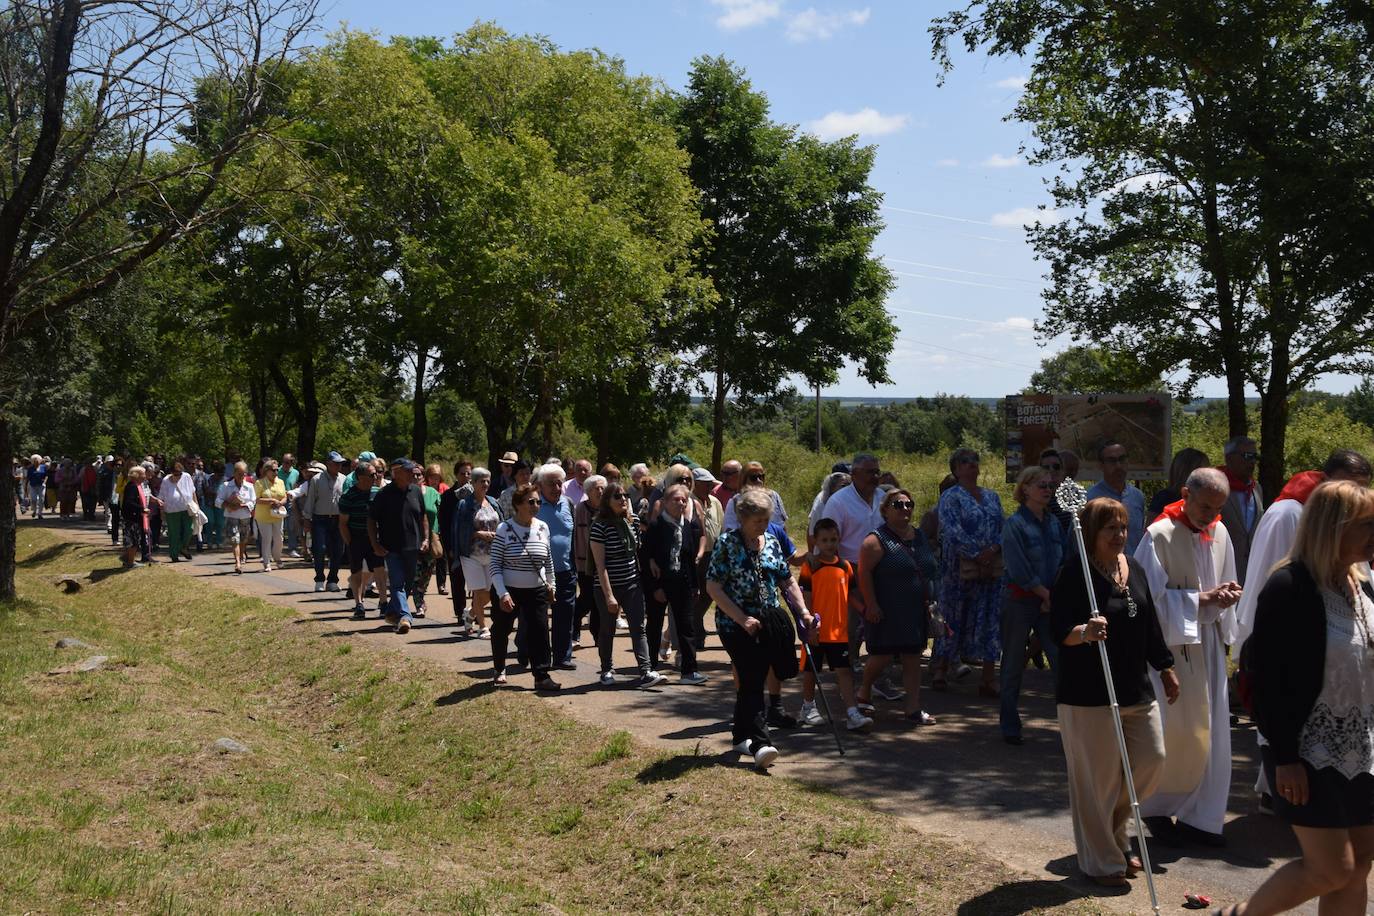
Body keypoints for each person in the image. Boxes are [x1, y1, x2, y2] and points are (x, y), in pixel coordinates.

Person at [1225, 480, 1374, 916]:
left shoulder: (1362, 587)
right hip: (1307, 751)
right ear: (1334, 527)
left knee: (1360, 865)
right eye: (1366, 525)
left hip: (1362, 749)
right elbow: (1268, 682)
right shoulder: (1289, 587)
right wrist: (1286, 756)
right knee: (1331, 868)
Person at [1233, 449, 1373, 814]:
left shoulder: (1356, 574)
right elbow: (1266, 582)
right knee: (1326, 864)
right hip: (1302, 709)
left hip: (1354, 729)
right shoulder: (1287, 514)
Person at [1053, 496, 1179, 888]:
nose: (1120, 535)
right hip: (1088, 694)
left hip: (1135, 690)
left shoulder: (1134, 567)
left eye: (1124, 527)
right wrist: (1085, 633)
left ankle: (1115, 832)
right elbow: (1059, 630)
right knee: (1099, 781)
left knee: (1151, 760)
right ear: (1091, 532)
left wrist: (1165, 666)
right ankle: (1103, 861)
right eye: (1111, 528)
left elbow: (1150, 624)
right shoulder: (1076, 574)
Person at [1132, 467, 1240, 847]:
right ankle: (1157, 808)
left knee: (1211, 730)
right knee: (1173, 732)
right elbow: (1144, 601)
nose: (1210, 516)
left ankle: (1203, 817)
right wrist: (1202, 600)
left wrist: (1226, 596)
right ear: (1185, 493)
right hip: (1169, 651)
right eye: (1205, 506)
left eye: (1218, 508)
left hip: (1207, 646)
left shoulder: (1220, 531)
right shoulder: (1158, 535)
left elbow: (1224, 580)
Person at [706, 487, 812, 771]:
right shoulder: (727, 543)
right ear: (742, 518)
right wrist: (742, 618)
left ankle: (741, 736)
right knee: (752, 677)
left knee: (757, 676)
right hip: (734, 624)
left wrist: (802, 611)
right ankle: (762, 743)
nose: (762, 526)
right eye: (757, 521)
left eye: (766, 520)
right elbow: (713, 586)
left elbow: (787, 581)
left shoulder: (772, 542)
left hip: (767, 621)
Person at [856, 489, 939, 725]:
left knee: (913, 656)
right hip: (888, 609)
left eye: (909, 504)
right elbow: (863, 573)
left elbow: (929, 566)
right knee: (882, 656)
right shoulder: (875, 540)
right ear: (885, 511)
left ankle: (913, 708)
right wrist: (871, 604)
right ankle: (864, 690)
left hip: (915, 609)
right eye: (898, 505)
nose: (905, 509)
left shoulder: (920, 536)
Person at [999, 465, 1065, 744]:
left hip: (1050, 601)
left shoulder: (1054, 523)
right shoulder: (1014, 525)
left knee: (1061, 661)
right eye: (1041, 485)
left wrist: (1054, 595)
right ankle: (1010, 726)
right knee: (1013, 664)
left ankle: (1070, 725)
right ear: (1025, 488)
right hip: (1019, 601)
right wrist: (1045, 594)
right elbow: (1019, 569)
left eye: (1050, 486)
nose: (1047, 490)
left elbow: (1064, 559)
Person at [933, 448, 1005, 695]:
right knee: (953, 618)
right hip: (957, 570)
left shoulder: (992, 497)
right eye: (965, 462)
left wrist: (993, 550)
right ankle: (942, 669)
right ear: (955, 468)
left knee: (988, 620)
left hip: (990, 570)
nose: (972, 465)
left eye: (975, 460)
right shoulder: (951, 497)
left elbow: (1002, 528)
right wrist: (977, 554)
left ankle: (987, 678)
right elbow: (951, 530)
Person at [797, 517, 870, 729]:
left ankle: (851, 713)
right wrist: (808, 624)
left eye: (833, 539)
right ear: (816, 542)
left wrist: (864, 610)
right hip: (816, 631)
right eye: (825, 540)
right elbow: (805, 597)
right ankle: (808, 707)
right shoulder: (810, 566)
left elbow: (851, 595)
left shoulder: (845, 566)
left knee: (844, 672)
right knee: (812, 671)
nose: (830, 544)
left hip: (839, 633)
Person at [590, 481, 664, 688]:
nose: (623, 499)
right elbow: (599, 565)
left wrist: (649, 562)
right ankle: (606, 670)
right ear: (607, 501)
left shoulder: (633, 522)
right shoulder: (599, 526)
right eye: (617, 496)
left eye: (625, 495)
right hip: (608, 587)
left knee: (638, 628)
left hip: (632, 584)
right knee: (608, 629)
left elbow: (638, 550)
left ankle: (646, 671)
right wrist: (609, 596)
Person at [488, 482, 561, 691]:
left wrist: (552, 585)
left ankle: (541, 676)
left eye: (538, 501)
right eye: (531, 502)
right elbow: (495, 565)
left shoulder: (542, 527)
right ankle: (499, 667)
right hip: (509, 590)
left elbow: (548, 561)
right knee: (501, 629)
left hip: (536, 590)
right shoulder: (504, 528)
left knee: (539, 631)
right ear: (518, 504)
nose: (536, 505)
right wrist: (502, 594)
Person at [822, 453, 886, 675]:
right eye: (870, 472)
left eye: (877, 471)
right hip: (850, 570)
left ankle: (877, 675)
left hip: (882, 571)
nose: (875, 476)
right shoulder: (838, 502)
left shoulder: (883, 497)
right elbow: (827, 540)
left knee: (878, 623)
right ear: (855, 474)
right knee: (851, 625)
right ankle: (846, 671)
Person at [646, 483, 706, 684]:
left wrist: (695, 586)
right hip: (660, 584)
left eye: (684, 500)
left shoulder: (688, 525)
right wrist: (656, 587)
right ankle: (650, 668)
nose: (681, 503)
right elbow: (647, 558)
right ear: (664, 502)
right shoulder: (656, 526)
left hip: (683, 583)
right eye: (676, 499)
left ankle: (689, 672)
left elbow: (689, 559)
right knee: (654, 626)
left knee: (686, 627)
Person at [368, 458, 428, 634]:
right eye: (409, 471)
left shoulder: (416, 491)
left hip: (413, 547)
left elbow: (423, 516)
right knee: (397, 584)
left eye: (414, 471)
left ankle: (391, 612)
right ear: (397, 473)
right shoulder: (384, 494)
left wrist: (425, 539)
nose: (413, 474)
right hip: (391, 548)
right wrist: (375, 544)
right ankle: (405, 617)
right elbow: (371, 520)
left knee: (407, 584)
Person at [536, 463, 578, 670]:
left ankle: (562, 657)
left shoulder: (568, 504)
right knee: (537, 618)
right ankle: (530, 652)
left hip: (566, 569)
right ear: (541, 486)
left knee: (565, 615)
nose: (556, 487)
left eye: (559, 483)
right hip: (539, 573)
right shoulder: (534, 505)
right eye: (551, 483)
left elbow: (575, 536)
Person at [453, 468, 501, 638]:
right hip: (471, 554)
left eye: (488, 481)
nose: (485, 484)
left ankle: (471, 613)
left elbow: (500, 524)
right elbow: (459, 531)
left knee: (488, 593)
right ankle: (483, 626)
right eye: (482, 481)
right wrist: (478, 534)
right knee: (479, 591)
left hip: (492, 554)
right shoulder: (464, 505)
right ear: (473, 483)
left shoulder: (494, 502)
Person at [1217, 437, 1266, 585]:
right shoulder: (1216, 488)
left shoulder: (1256, 489)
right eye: (1247, 456)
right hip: (1222, 573)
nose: (1252, 462)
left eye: (1255, 457)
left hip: (1252, 573)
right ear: (1229, 458)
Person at [338, 464, 383, 620]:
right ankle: (358, 604)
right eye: (372, 475)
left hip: (375, 539)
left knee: (379, 569)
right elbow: (343, 523)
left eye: (376, 474)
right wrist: (350, 542)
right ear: (361, 477)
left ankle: (383, 602)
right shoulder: (348, 496)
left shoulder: (378, 493)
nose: (376, 477)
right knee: (356, 571)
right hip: (356, 537)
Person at [1086, 441, 1147, 554]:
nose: (1118, 465)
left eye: (1122, 459)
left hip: (1133, 567)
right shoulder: (1090, 498)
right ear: (1101, 465)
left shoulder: (1137, 496)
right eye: (1112, 461)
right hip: (1101, 568)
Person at [690, 467, 725, 653]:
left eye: (711, 484)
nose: (709, 487)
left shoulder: (715, 502)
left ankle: (695, 627)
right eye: (705, 484)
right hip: (697, 555)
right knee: (697, 594)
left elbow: (721, 526)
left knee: (709, 594)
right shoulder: (689, 501)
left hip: (714, 554)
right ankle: (695, 633)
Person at [302, 452, 347, 592]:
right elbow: (310, 500)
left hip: (338, 519)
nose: (339, 466)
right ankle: (320, 579)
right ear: (328, 464)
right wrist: (307, 519)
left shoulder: (344, 479)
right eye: (336, 463)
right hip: (320, 518)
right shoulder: (317, 479)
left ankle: (333, 580)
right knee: (319, 548)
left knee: (338, 550)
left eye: (340, 463)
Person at [573, 474, 608, 648]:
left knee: (598, 600)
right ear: (588, 491)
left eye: (603, 488)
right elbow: (576, 536)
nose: (600, 491)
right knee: (587, 598)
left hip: (604, 563)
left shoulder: (608, 509)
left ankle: (597, 635)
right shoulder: (580, 508)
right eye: (596, 488)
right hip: (584, 562)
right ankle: (574, 624)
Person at [438, 461, 473, 623]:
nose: (466, 477)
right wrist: (449, 547)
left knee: (476, 581)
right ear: (456, 475)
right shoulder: (448, 496)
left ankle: (474, 612)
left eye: (468, 473)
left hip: (474, 545)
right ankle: (460, 613)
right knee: (457, 580)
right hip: (455, 545)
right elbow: (444, 525)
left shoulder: (476, 494)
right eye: (462, 473)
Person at [410, 465, 445, 618]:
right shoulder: (408, 493)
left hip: (432, 538)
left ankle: (420, 596)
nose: (416, 477)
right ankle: (419, 604)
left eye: (419, 475)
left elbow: (441, 514)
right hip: (412, 538)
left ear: (423, 477)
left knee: (427, 573)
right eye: (413, 475)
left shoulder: (433, 493)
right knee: (415, 574)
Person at [216, 462, 256, 574]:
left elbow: (253, 501)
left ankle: (241, 554)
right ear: (234, 473)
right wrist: (228, 505)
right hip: (231, 516)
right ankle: (237, 562)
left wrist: (243, 505)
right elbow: (218, 501)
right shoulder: (226, 486)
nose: (241, 476)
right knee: (235, 539)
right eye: (239, 474)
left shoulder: (250, 487)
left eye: (243, 474)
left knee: (243, 539)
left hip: (244, 517)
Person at [722, 461, 787, 530]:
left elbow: (783, 524)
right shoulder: (735, 501)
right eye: (754, 477)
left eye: (761, 476)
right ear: (744, 480)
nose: (759, 480)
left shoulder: (774, 496)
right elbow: (729, 529)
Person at [1149, 448, 1211, 519]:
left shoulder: (1207, 499)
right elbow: (1151, 528)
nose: (1208, 475)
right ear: (1187, 472)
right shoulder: (1163, 498)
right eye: (1203, 471)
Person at [158, 459, 198, 563]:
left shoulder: (187, 477)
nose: (178, 476)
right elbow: (161, 497)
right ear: (171, 472)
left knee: (189, 529)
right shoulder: (166, 480)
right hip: (171, 511)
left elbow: (193, 491)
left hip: (186, 508)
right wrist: (162, 512)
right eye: (175, 474)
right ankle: (174, 554)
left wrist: (196, 505)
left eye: (179, 473)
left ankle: (182, 547)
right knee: (174, 533)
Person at [253, 458, 288, 572]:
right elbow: (256, 499)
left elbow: (284, 496)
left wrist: (281, 502)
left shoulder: (280, 482)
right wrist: (271, 500)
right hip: (263, 516)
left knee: (279, 538)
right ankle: (266, 562)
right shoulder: (259, 483)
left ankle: (277, 558)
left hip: (277, 514)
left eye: (277, 470)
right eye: (273, 470)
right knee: (267, 539)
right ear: (266, 470)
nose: (275, 472)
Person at [120, 465, 152, 567]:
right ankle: (130, 562)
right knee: (132, 541)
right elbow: (129, 503)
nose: (144, 476)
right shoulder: (132, 486)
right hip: (131, 518)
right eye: (143, 474)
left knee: (135, 540)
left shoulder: (137, 486)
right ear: (136, 475)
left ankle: (127, 558)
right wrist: (142, 509)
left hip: (136, 518)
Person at [26, 455, 47, 519]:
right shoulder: (30, 468)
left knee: (41, 499)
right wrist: (25, 487)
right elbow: (28, 478)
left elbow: (46, 475)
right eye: (35, 461)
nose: (36, 462)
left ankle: (40, 513)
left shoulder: (43, 467)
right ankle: (34, 511)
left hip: (41, 486)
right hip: (33, 486)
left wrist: (45, 481)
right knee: (34, 499)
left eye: (37, 461)